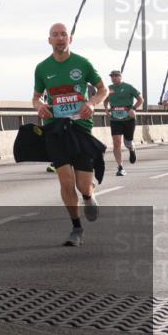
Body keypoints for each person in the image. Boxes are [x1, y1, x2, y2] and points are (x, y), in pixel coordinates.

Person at [32, 23, 108, 248]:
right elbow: (36, 97)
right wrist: (40, 106)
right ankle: (76, 227)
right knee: (66, 180)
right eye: (55, 35)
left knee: (83, 185)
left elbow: (103, 89)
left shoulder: (82, 63)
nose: (60, 38)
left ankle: (88, 195)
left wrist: (92, 103)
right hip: (56, 129)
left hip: (80, 128)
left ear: (70, 39)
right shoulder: (42, 68)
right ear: (49, 40)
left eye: (63, 34)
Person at [104, 70, 142, 175]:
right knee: (116, 143)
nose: (114, 78)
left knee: (127, 142)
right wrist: (106, 108)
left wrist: (133, 108)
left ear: (120, 77)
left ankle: (131, 149)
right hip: (115, 118)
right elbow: (105, 100)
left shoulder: (129, 87)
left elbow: (140, 99)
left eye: (116, 76)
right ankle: (120, 167)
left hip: (128, 118)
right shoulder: (109, 88)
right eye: (112, 76)